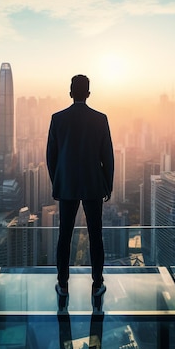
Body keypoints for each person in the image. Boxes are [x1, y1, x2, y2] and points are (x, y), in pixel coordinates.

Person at [46, 74, 114, 310]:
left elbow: (51, 157)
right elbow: (107, 156)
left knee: (65, 235)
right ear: (88, 93)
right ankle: (98, 284)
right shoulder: (100, 119)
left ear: (70, 92)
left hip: (67, 186)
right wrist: (108, 184)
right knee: (96, 235)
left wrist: (59, 181)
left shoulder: (57, 119)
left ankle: (62, 284)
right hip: (94, 185)